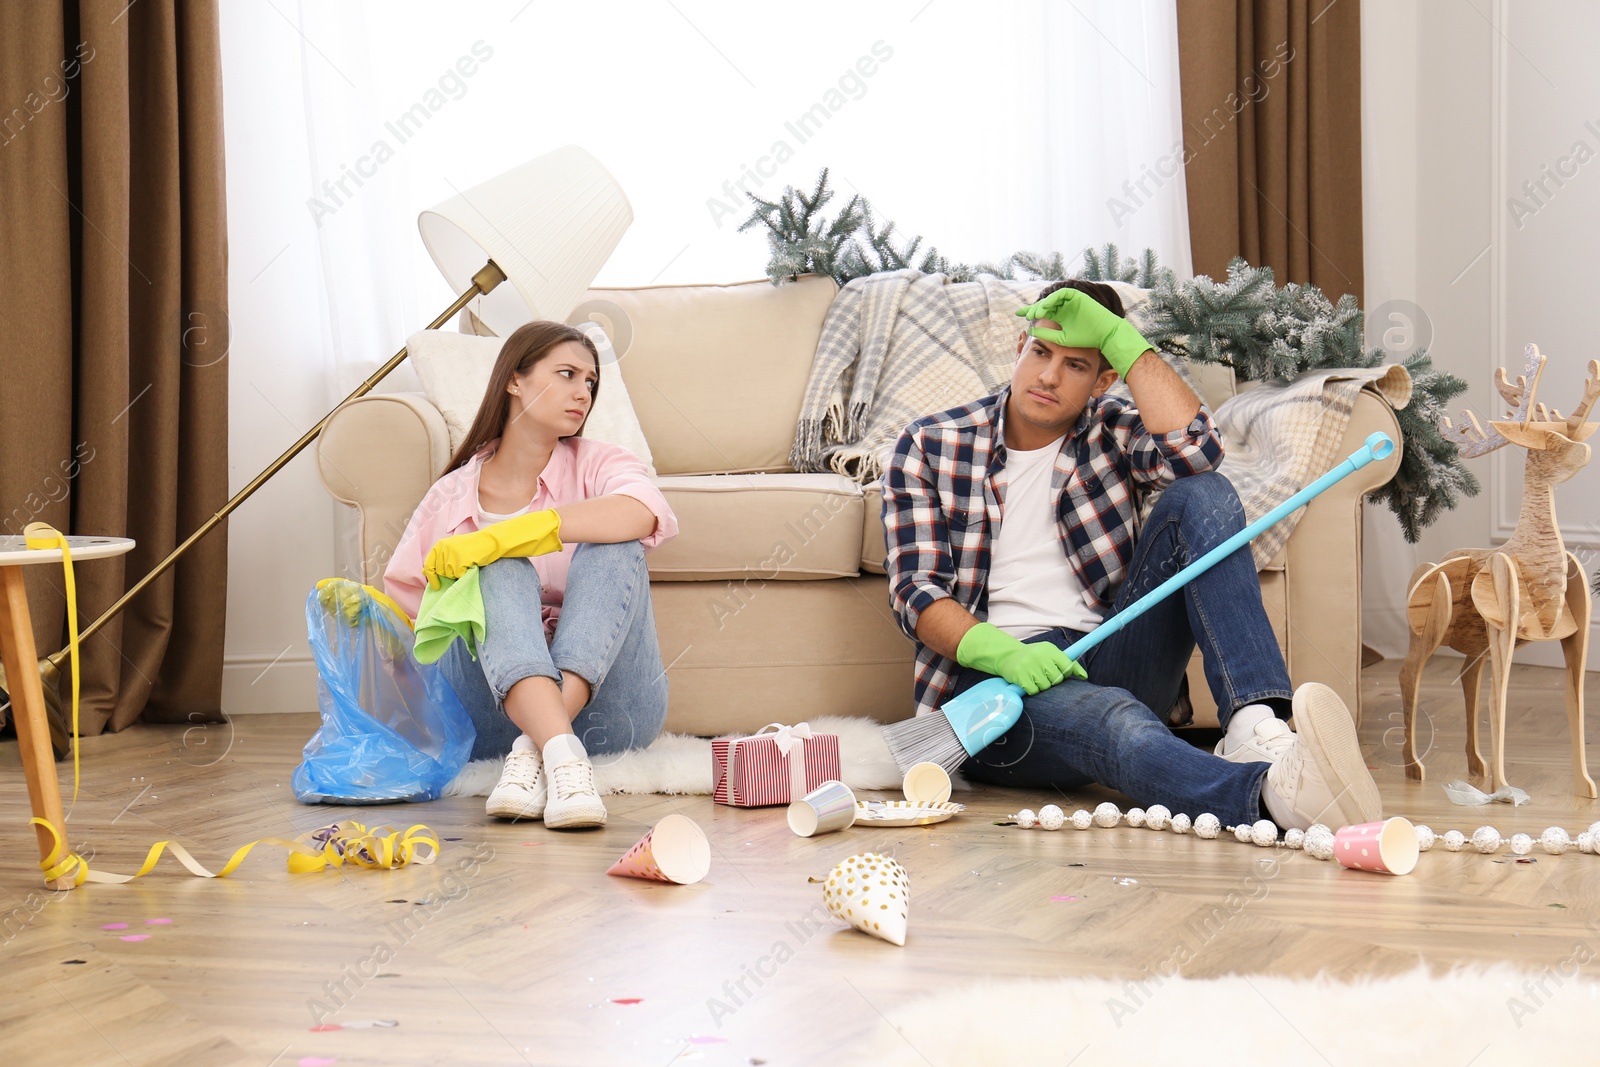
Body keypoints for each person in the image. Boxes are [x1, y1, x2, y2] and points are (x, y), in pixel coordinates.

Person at [881, 280, 1381, 831]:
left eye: (1076, 364)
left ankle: (1254, 725)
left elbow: (1197, 451)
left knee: (1205, 495)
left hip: (1108, 654)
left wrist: (1120, 336)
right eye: (1041, 352)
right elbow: (916, 592)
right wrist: (1004, 654)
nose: (1048, 376)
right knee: (1116, 720)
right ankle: (1271, 798)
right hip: (994, 692)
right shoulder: (930, 444)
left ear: (1105, 379)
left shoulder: (1112, 430)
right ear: (1021, 345)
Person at [384, 321, 678, 829]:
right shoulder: (450, 497)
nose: (582, 392)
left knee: (614, 547)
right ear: (514, 380)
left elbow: (642, 511)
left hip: (612, 716)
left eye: (590, 382)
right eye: (566, 374)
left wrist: (513, 533)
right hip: (489, 717)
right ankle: (560, 756)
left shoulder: (600, 464)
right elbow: (412, 623)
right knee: (493, 569)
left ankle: (542, 745)